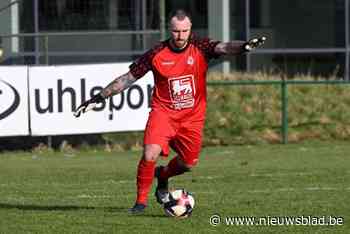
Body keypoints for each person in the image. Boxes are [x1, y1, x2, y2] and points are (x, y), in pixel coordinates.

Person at [74, 9, 266, 214]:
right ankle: (140, 203)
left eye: (184, 31)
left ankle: (163, 176)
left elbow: (224, 47)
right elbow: (127, 79)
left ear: (190, 29)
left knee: (188, 163)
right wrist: (98, 97)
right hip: (163, 114)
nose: (180, 36)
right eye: (176, 31)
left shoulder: (200, 46)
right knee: (150, 154)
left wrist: (244, 46)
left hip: (192, 118)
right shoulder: (156, 53)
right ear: (170, 30)